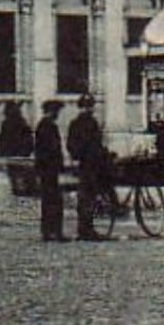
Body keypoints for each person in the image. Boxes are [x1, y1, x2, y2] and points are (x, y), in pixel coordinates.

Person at [66, 94, 112, 242]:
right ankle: (87, 229)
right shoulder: (90, 123)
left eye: (90, 106)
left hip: (84, 164)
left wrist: (77, 155)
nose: (89, 108)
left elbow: (71, 144)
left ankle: (84, 228)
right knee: (88, 196)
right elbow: (94, 144)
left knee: (85, 196)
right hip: (90, 164)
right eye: (87, 106)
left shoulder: (76, 123)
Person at [34, 99, 68, 243]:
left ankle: (49, 232)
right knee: (53, 201)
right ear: (51, 111)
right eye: (56, 111)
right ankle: (54, 232)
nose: (57, 114)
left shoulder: (44, 125)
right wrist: (57, 164)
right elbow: (50, 149)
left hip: (47, 169)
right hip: (49, 169)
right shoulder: (47, 126)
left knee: (49, 201)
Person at [0, 100, 35, 197]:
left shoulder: (9, 123)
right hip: (19, 152)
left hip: (14, 152)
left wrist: (1, 152)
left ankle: (19, 189)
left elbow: (3, 139)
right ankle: (21, 188)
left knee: (15, 172)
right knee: (18, 171)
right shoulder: (21, 122)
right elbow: (28, 138)